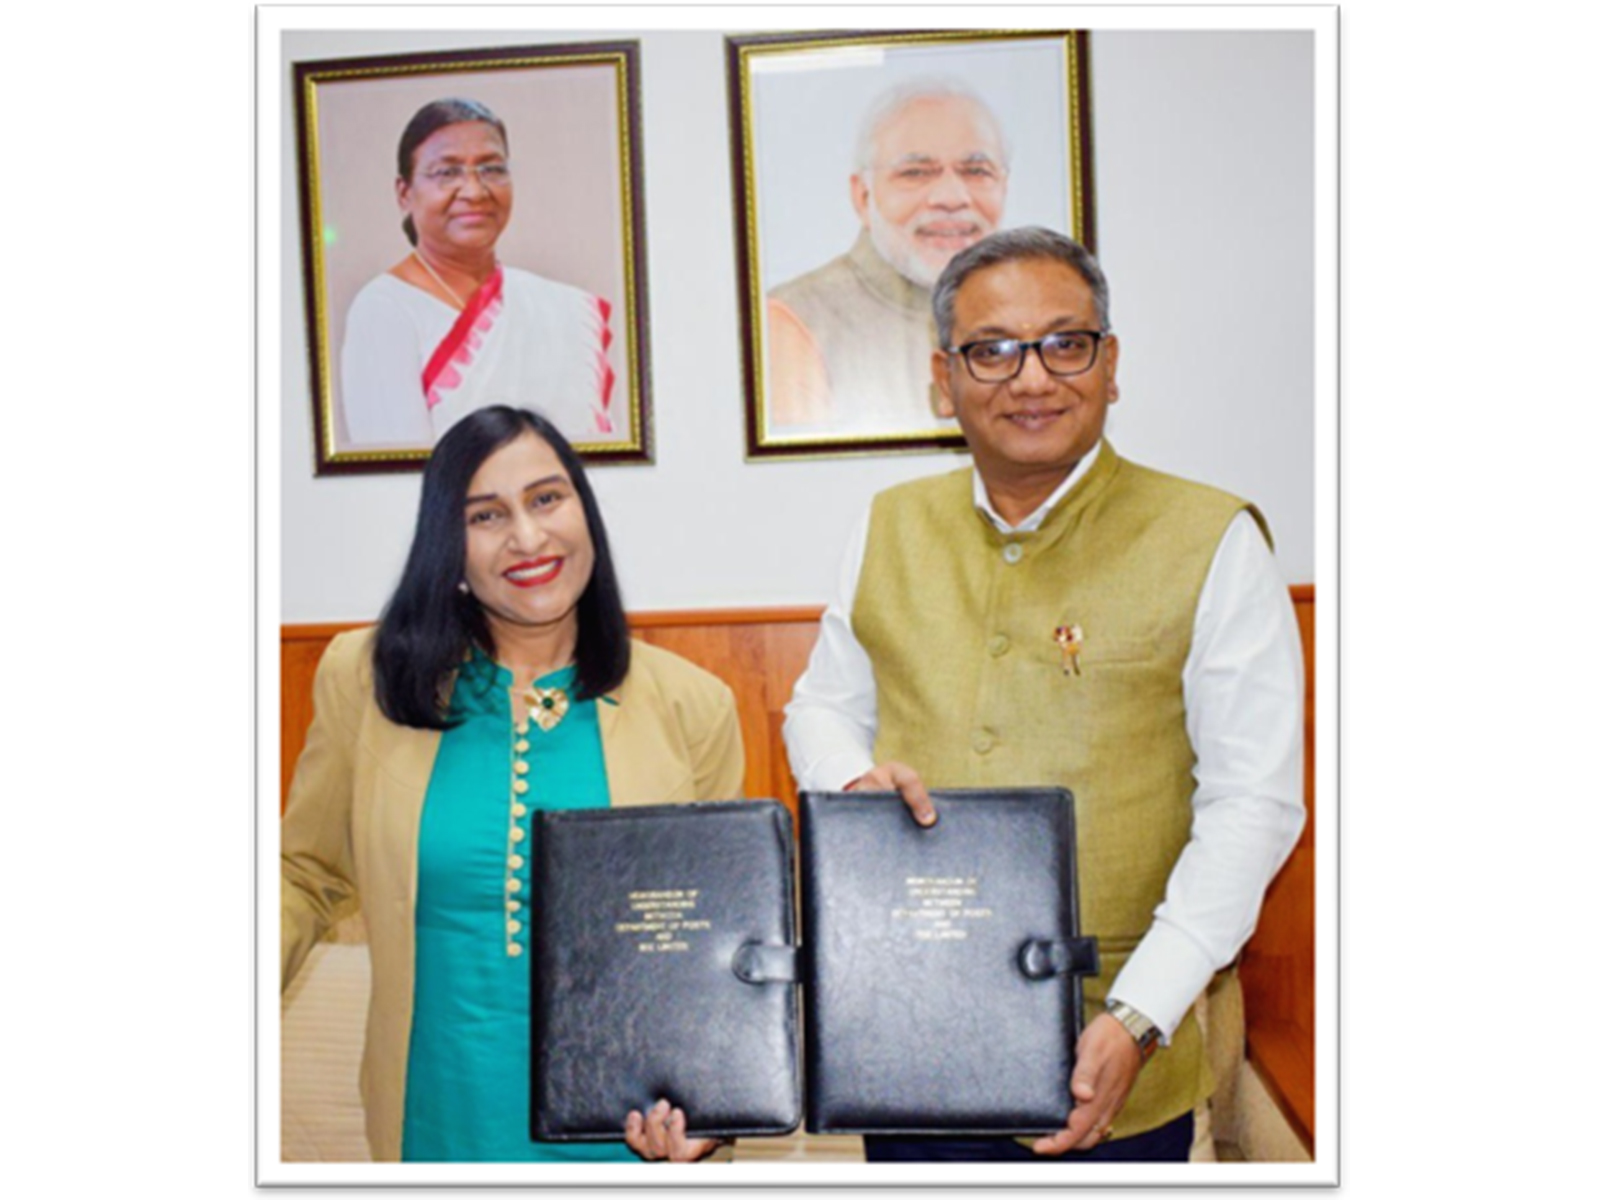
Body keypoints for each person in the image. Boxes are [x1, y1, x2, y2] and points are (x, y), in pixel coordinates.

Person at [783, 227, 1305, 1163]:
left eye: (1066, 343)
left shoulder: (1213, 538)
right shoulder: (887, 525)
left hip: (1113, 1063)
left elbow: (1252, 809)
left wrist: (1139, 1018)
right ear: (943, 380)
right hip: (909, 1042)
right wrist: (852, 782)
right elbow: (820, 707)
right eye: (993, 350)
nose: (1033, 378)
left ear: (1111, 366)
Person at [281, 406, 737, 1163]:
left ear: (586, 515)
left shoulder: (692, 705)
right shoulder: (362, 679)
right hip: (436, 1129)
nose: (527, 537)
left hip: (628, 1145)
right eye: (486, 515)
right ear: (448, 548)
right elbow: (305, 874)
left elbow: (716, 937)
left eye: (548, 499)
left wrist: (716, 1103)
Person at [339, 99, 618, 449]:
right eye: (447, 172)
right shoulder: (384, 309)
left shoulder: (561, 308)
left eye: (491, 169)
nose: (474, 191)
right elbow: (396, 474)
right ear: (404, 193)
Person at [765, 79, 1010, 434]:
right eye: (916, 173)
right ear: (863, 197)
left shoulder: (1033, 313)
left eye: (976, 171)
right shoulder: (796, 319)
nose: (951, 196)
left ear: (1004, 187)